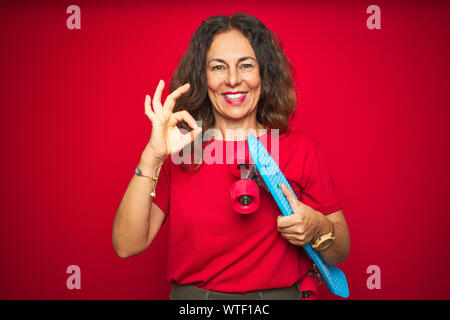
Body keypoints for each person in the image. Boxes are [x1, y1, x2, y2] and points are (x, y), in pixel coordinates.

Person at [112, 13, 350, 300]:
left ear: (263, 73)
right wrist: (153, 156)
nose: (233, 80)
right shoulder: (183, 150)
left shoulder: (301, 150)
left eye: (246, 65)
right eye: (218, 67)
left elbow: (340, 252)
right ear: (203, 77)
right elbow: (127, 245)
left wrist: (318, 226)